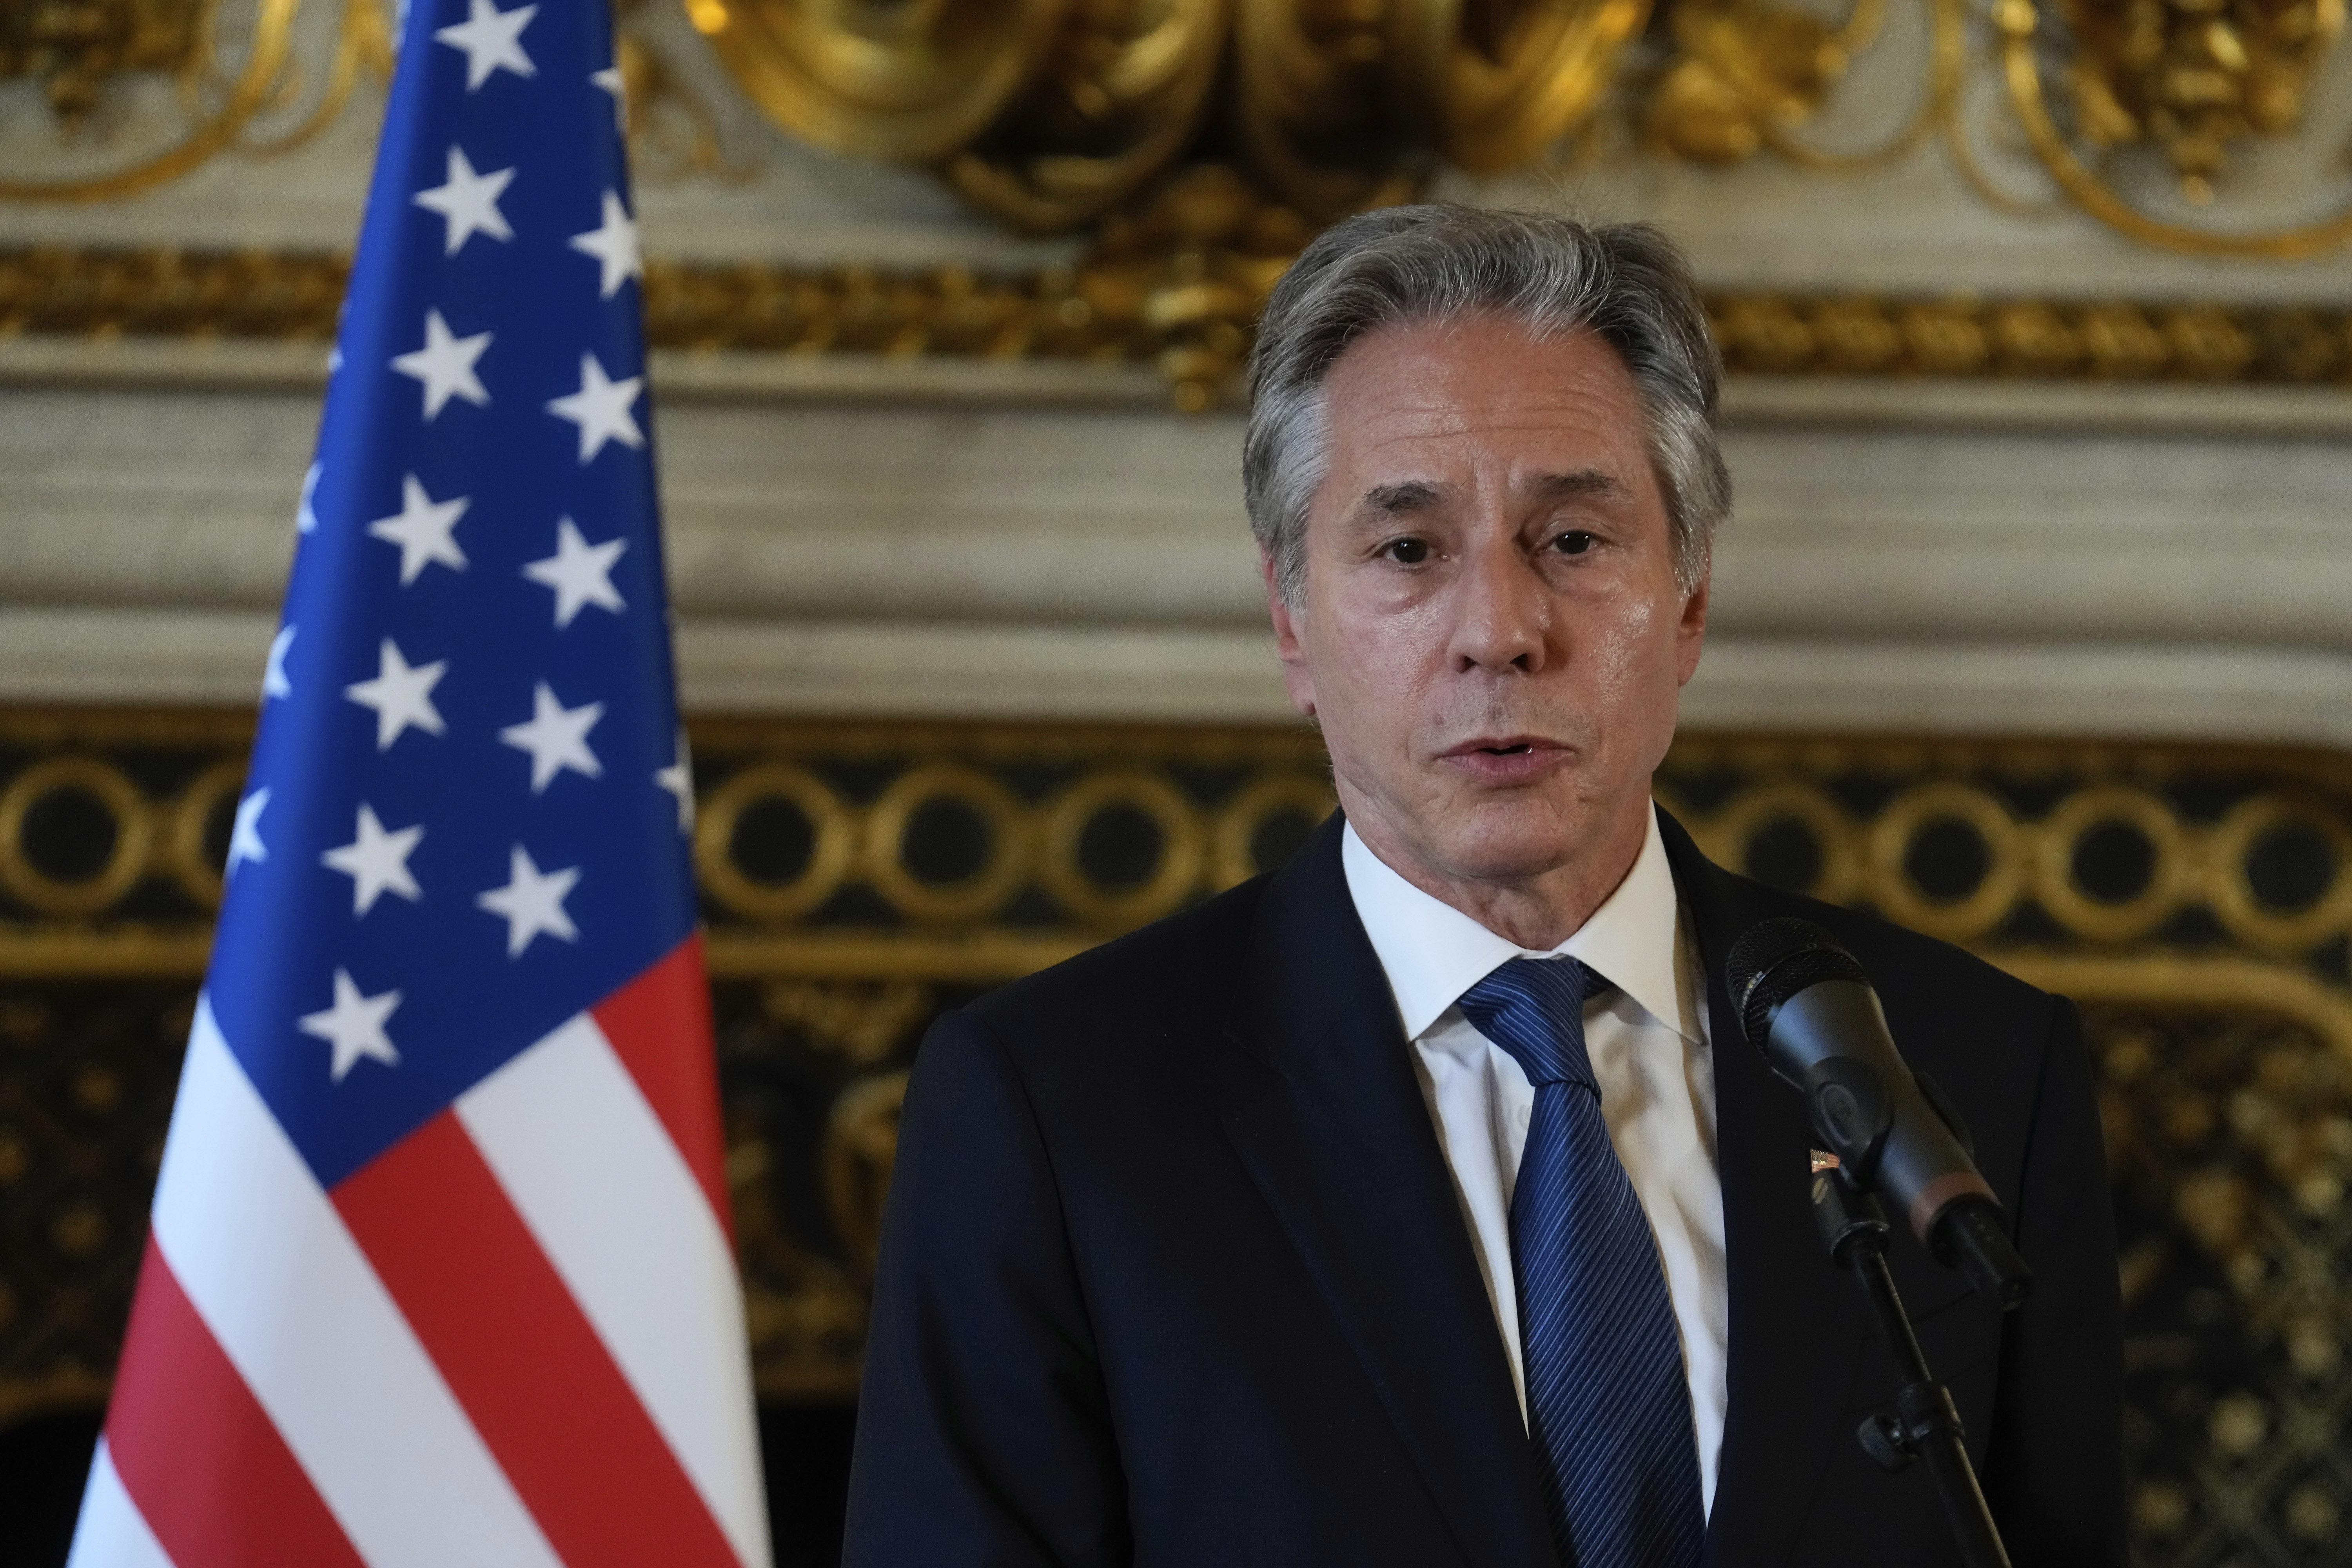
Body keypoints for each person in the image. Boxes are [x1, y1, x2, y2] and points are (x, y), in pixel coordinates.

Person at [841, 206, 2123, 1567]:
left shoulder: (1977, 1066)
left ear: (1687, 604)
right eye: (1408, 551)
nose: (1501, 632)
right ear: (1291, 622)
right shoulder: (1058, 1111)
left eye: (1573, 541)